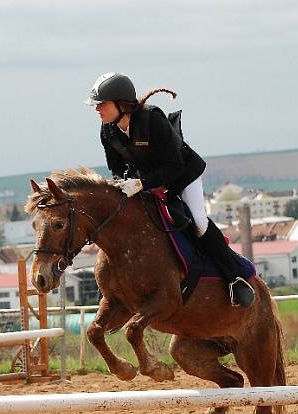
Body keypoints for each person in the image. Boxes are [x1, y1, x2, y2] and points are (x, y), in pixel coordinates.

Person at [86, 72, 254, 308]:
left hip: (182, 175)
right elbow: (116, 169)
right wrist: (126, 184)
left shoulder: (151, 119)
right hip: (145, 182)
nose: (97, 109)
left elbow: (174, 166)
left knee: (198, 222)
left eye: (102, 104)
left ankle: (234, 277)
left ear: (121, 103)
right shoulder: (108, 131)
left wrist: (142, 183)